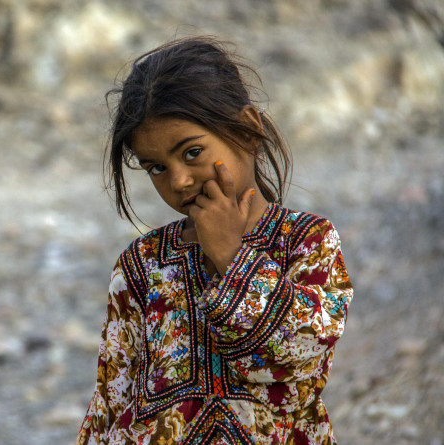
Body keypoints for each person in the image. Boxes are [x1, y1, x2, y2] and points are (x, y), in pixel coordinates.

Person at [76, 36, 354, 444]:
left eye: (191, 153)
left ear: (248, 130)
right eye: (156, 167)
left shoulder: (307, 244)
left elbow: (299, 362)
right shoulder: (141, 265)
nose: (179, 180)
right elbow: (110, 407)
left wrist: (231, 257)